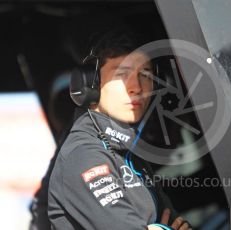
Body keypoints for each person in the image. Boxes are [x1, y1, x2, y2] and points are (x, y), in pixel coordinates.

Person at [47, 27, 191, 230]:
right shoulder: (84, 155)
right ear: (92, 85)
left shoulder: (129, 154)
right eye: (122, 74)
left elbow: (176, 221)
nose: (136, 87)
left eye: (145, 74)